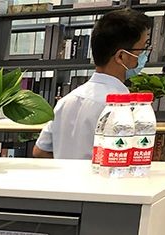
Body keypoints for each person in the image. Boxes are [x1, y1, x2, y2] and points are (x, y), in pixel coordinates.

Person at [33, 9, 152, 160]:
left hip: (65, 175)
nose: (145, 54)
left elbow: (40, 151)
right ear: (121, 56)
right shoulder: (125, 107)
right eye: (143, 48)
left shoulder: (66, 101)